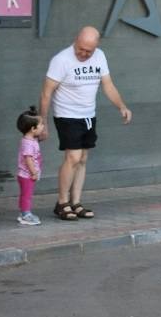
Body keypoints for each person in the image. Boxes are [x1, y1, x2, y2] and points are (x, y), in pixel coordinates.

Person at [39, 27, 132, 220]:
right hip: (66, 115)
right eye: (80, 49)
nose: (83, 53)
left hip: (88, 115)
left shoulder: (100, 56)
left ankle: (76, 202)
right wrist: (44, 121)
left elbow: (108, 85)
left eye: (88, 51)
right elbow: (46, 93)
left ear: (96, 46)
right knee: (73, 157)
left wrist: (121, 106)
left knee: (82, 158)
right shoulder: (61, 60)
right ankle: (62, 202)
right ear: (75, 41)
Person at [15, 107, 45, 226]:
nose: (43, 126)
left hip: (26, 175)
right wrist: (33, 173)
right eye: (41, 124)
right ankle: (25, 214)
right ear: (33, 129)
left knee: (26, 194)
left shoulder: (31, 139)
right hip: (26, 175)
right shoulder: (28, 143)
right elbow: (28, 159)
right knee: (27, 195)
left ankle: (24, 212)